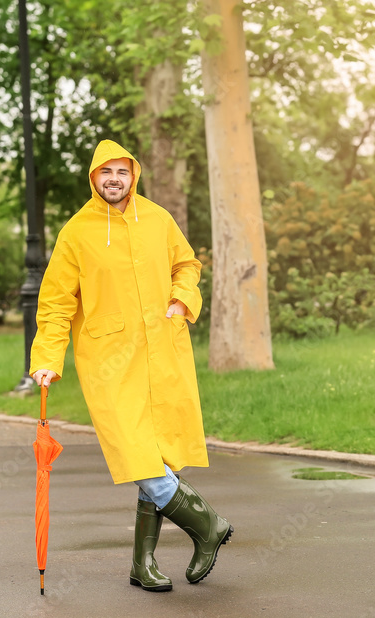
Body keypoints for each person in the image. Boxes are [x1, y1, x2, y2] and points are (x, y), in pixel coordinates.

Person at [30, 139, 233, 592]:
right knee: (134, 452)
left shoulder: (158, 218)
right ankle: (207, 526)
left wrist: (182, 303)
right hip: (108, 362)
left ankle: (143, 565)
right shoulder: (76, 233)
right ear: (93, 178)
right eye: (105, 173)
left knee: (158, 455)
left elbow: (188, 265)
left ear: (132, 176)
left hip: (163, 350)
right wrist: (46, 357)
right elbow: (56, 302)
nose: (114, 180)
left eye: (121, 172)